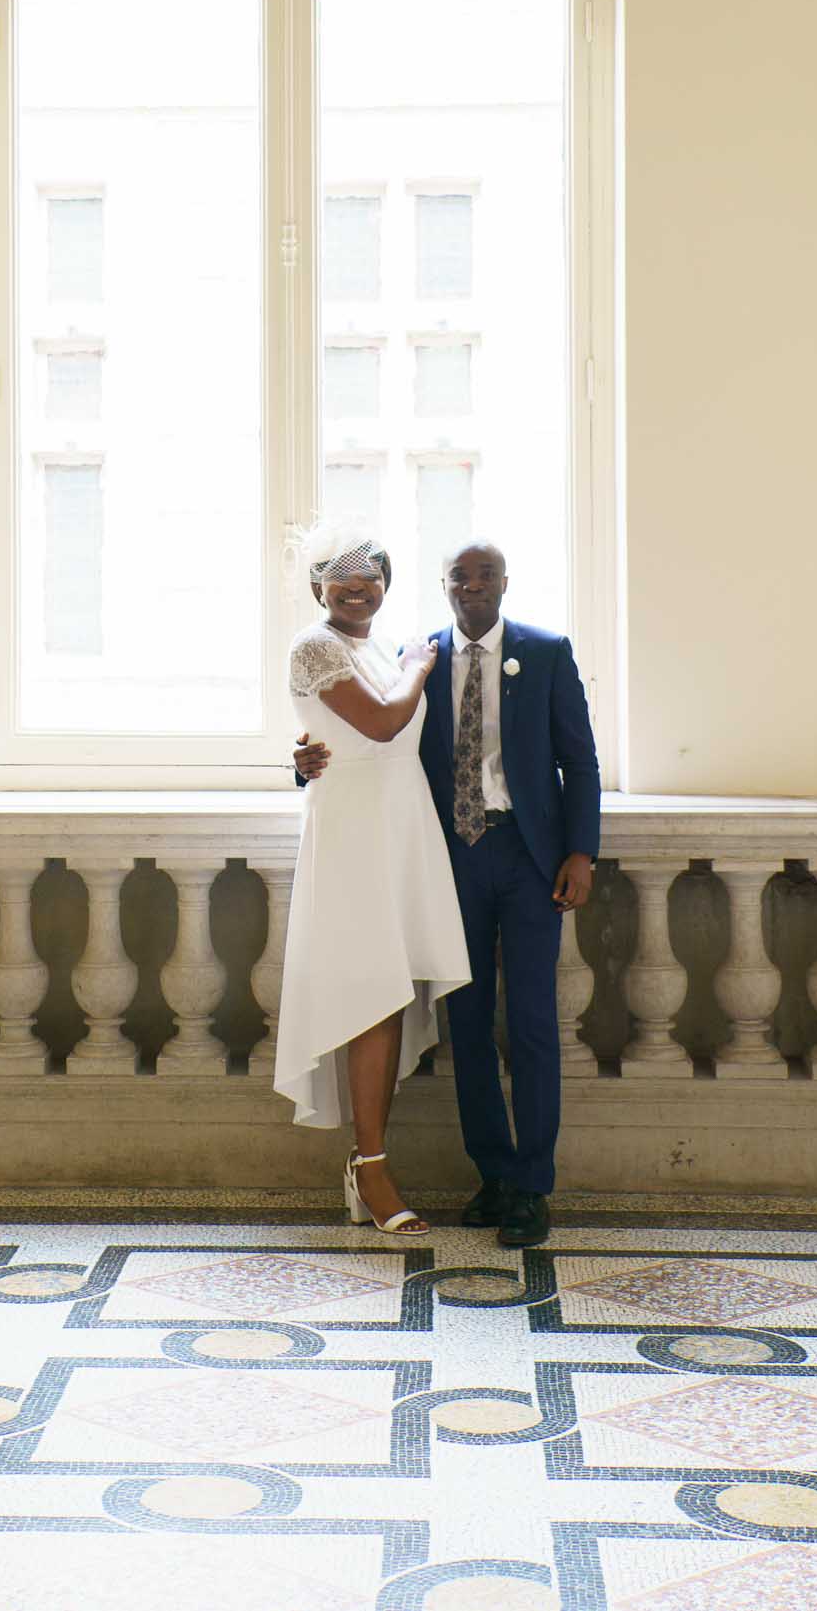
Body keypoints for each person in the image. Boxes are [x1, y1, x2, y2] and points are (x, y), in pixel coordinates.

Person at [295, 541, 601, 1250]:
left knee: (528, 1022)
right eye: (459, 576)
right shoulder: (417, 656)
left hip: (529, 858)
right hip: (448, 855)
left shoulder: (547, 651)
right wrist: (300, 758)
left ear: (504, 581)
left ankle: (532, 1185)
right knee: (465, 1024)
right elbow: (357, 730)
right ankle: (492, 1175)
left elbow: (578, 757)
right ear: (443, 587)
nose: (473, 585)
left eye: (486, 573)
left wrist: (581, 850)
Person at [275, 525, 471, 1238]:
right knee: (368, 994)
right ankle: (372, 1167)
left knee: (388, 998)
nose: (359, 588)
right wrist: (420, 664)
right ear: (317, 585)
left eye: (372, 576)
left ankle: (368, 1162)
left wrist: (403, 660)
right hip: (355, 830)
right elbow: (385, 723)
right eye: (342, 577)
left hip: (399, 822)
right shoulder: (315, 644)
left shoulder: (375, 646)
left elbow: (351, 733)